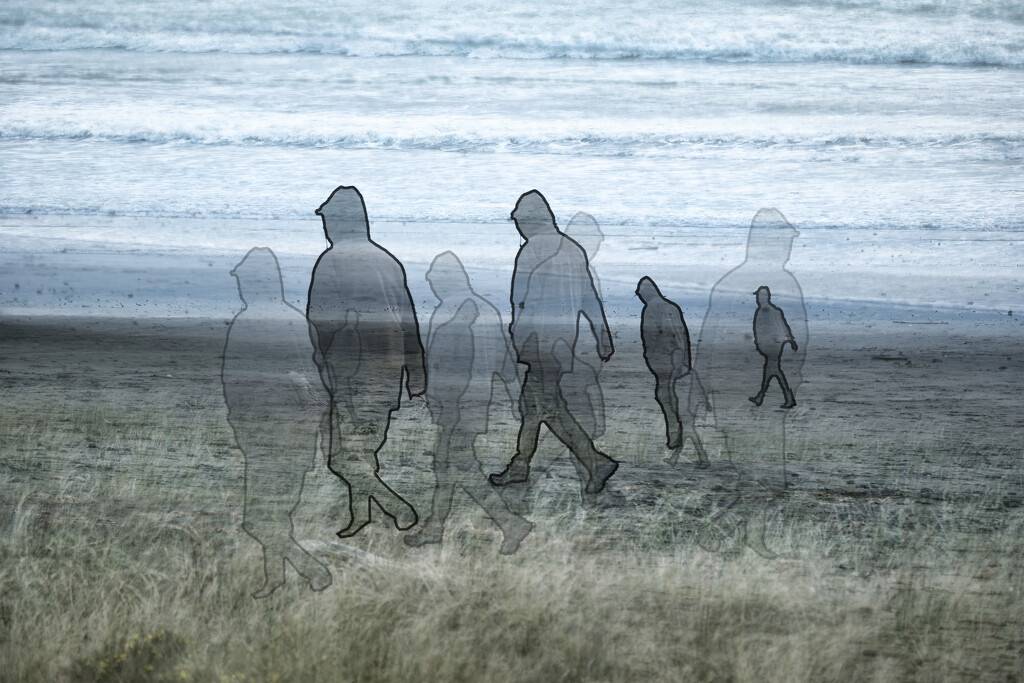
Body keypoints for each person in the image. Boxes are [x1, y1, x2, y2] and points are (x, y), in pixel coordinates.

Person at [306, 185, 425, 538]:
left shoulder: (332, 260)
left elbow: (321, 320)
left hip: (351, 373)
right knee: (363, 452)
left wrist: (321, 361)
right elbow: (408, 319)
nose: (325, 227)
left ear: (340, 222)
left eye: (327, 219)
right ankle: (361, 516)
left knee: (341, 458)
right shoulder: (387, 260)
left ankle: (398, 508)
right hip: (389, 370)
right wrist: (416, 371)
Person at [692, 208, 807, 558]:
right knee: (765, 478)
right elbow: (795, 342)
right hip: (753, 400)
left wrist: (702, 392)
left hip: (732, 397)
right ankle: (717, 534)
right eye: (785, 238)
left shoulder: (729, 280)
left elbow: (704, 344)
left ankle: (746, 538)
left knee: (759, 477)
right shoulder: (782, 284)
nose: (789, 244)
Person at [489, 190, 618, 495]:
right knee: (534, 407)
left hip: (538, 343)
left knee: (546, 409)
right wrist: (603, 334)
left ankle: (595, 462)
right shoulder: (573, 249)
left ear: (530, 221)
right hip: (563, 342)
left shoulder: (531, 250)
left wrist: (515, 338)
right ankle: (519, 467)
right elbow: (589, 298)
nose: (519, 228)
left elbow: (518, 301)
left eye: (520, 222)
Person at [403, 252, 533, 554]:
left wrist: (433, 397)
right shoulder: (486, 309)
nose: (432, 285)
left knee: (460, 467)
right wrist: (516, 399)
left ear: (447, 279)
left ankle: (512, 524)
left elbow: (439, 361)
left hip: (456, 404)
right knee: (445, 465)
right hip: (475, 401)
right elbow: (506, 362)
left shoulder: (450, 309)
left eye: (434, 279)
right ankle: (435, 528)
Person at [222, 247, 332, 598]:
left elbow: (238, 385)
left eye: (244, 279)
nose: (240, 286)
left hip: (270, 438)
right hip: (291, 437)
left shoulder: (252, 321)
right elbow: (312, 382)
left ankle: (312, 569)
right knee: (276, 514)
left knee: (257, 518)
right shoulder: (292, 317)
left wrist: (245, 426)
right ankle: (275, 578)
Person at [636, 276, 709, 467]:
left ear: (646, 292)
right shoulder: (671, 307)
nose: (640, 298)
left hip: (668, 368)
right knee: (675, 409)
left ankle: (678, 444)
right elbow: (681, 337)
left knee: (674, 408)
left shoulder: (652, 308)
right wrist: (685, 363)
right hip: (677, 367)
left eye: (641, 294)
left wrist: (674, 364)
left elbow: (667, 338)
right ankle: (677, 449)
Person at [749, 285, 797, 408]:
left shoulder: (765, 312)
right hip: (775, 346)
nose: (757, 298)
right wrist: (790, 340)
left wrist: (761, 343)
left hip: (771, 347)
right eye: (758, 296)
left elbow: (768, 330)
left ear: (765, 297)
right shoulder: (775, 311)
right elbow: (784, 327)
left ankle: (789, 399)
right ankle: (761, 396)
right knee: (770, 371)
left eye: (759, 296)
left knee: (775, 371)